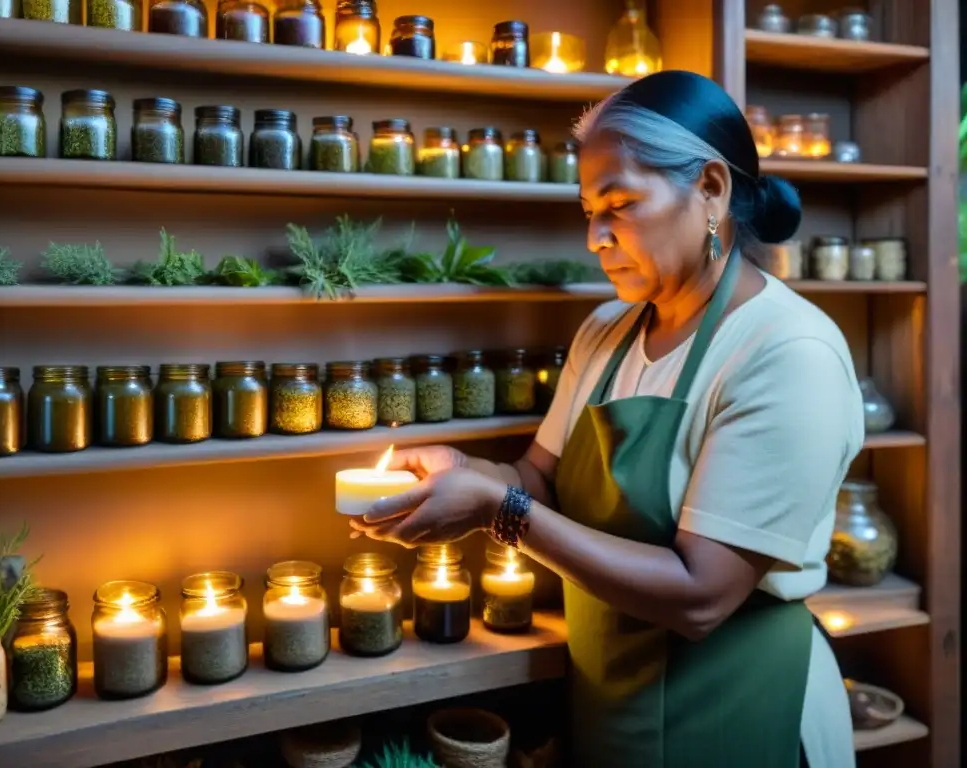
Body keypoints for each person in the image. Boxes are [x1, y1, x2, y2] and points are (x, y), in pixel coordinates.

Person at [351, 71, 861, 768]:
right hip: (611, 703)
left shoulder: (787, 352)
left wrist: (497, 510)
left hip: (741, 710)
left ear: (710, 190)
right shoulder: (604, 333)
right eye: (588, 209)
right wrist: (463, 474)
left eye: (618, 205)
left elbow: (700, 594)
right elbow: (540, 479)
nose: (595, 236)